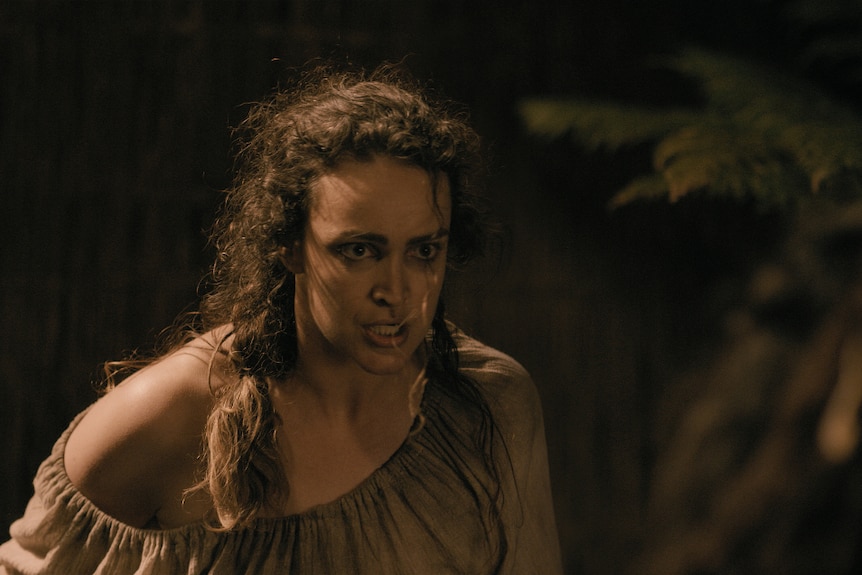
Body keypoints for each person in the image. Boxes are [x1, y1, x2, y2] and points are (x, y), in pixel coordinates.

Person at [0, 64, 563, 574]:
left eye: (423, 251)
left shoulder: (488, 404)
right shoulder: (173, 415)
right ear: (290, 245)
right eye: (359, 251)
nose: (398, 291)